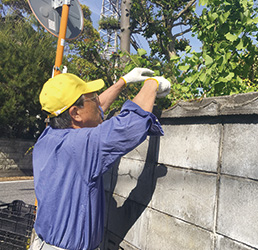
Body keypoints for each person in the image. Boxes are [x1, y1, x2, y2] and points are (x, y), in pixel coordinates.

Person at [30, 68, 171, 250]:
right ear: (74, 113)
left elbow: (91, 114)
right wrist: (152, 84)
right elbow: (131, 124)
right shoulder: (81, 146)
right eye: (93, 98)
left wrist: (122, 82)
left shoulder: (48, 136)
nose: (98, 102)